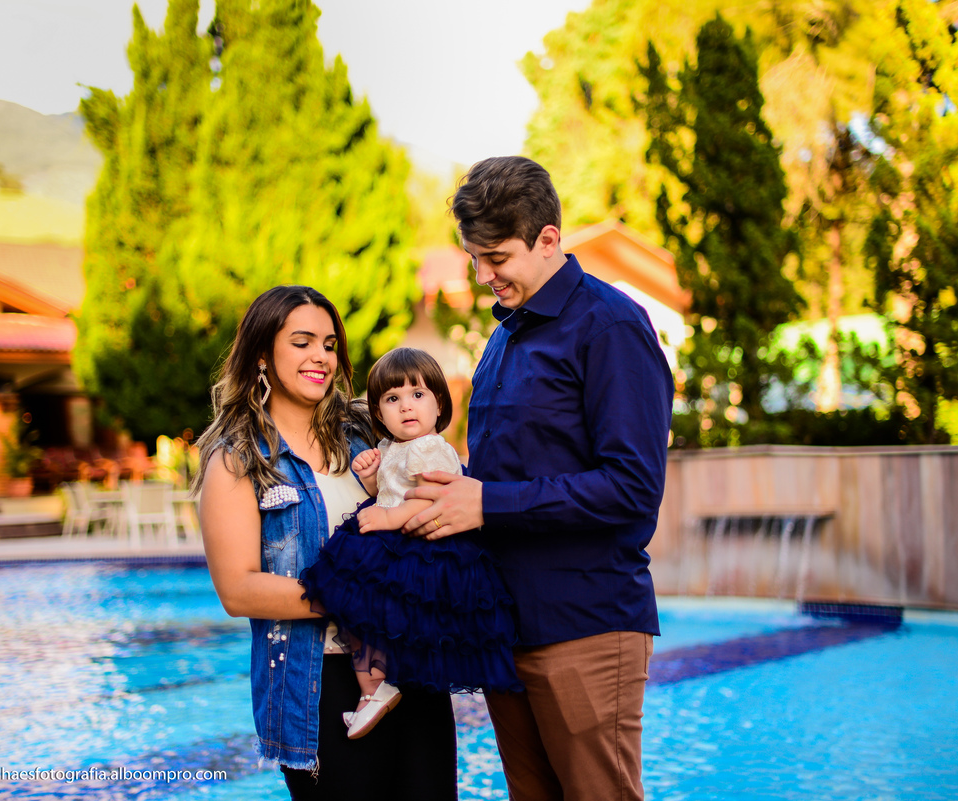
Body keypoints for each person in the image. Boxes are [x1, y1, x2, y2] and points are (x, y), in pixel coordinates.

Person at [401, 156, 674, 801]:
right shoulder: (503, 337)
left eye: (497, 258)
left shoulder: (610, 327)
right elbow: (500, 477)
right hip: (504, 629)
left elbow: (634, 487)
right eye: (475, 259)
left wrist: (487, 504)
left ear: (548, 239)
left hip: (585, 625)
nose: (483, 275)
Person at [194, 286, 458, 801]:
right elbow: (238, 590)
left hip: (415, 665)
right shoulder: (237, 460)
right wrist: (356, 597)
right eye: (302, 342)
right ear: (263, 354)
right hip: (319, 680)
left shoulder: (369, 433)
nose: (321, 356)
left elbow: (436, 492)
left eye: (330, 344)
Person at [299, 347, 521, 740]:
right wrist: (372, 480)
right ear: (378, 412)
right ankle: (374, 688)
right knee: (355, 603)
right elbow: (391, 490)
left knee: (363, 600)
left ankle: (377, 687)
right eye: (392, 398)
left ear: (439, 404)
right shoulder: (391, 447)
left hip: (425, 548)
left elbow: (432, 498)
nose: (406, 406)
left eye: (417, 394)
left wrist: (387, 517)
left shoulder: (428, 447)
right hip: (399, 539)